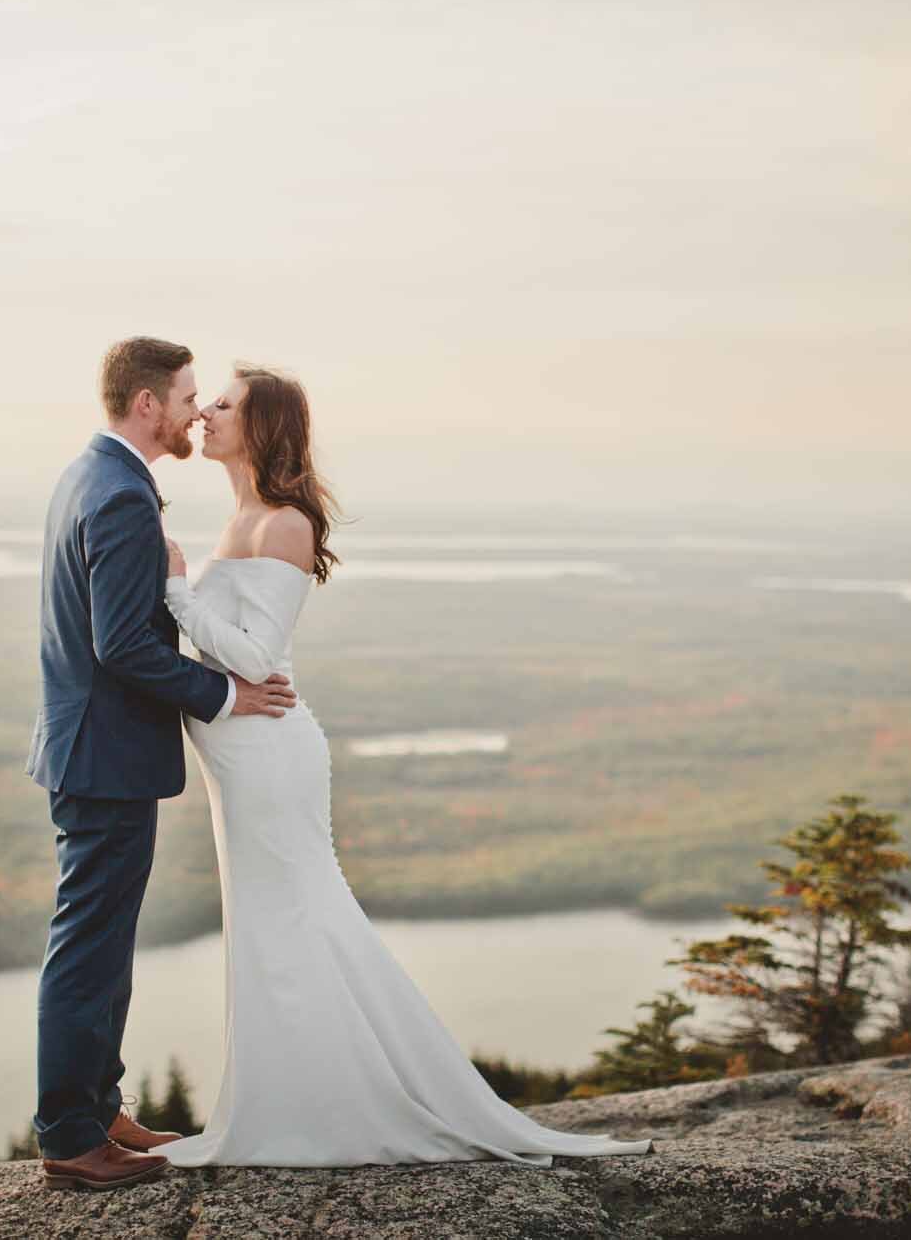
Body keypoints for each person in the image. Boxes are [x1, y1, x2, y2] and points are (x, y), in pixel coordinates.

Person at [151, 362, 652, 1167]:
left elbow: (256, 656)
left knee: (300, 918)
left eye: (225, 403)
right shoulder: (242, 515)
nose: (205, 411)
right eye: (206, 399)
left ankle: (342, 1107)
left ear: (264, 426)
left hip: (270, 758)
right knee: (270, 925)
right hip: (239, 761)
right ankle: (287, 1103)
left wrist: (176, 592)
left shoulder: (281, 523)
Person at [26, 337, 298, 1192]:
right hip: (103, 758)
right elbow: (124, 646)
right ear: (147, 404)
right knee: (88, 948)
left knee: (104, 942)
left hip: (98, 753)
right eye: (185, 396)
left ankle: (99, 1104)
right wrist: (222, 696)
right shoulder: (117, 496)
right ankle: (71, 1135)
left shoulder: (93, 475)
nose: (193, 410)